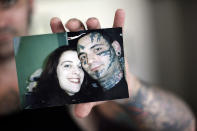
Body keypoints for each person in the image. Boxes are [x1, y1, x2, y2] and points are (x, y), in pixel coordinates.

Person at [0, 0, 195, 130]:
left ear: (30, 4)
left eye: (8, 2)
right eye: (68, 65)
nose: (0, 21)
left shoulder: (82, 87)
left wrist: (131, 88)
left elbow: (185, 126)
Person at [76, 29, 129, 100]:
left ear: (116, 48)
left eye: (97, 49)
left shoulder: (131, 86)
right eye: (83, 57)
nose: (89, 61)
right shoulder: (88, 97)